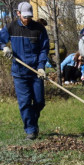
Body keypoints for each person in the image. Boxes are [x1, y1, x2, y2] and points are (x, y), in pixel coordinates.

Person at [0, 2, 49, 140]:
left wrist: (41, 66)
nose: (27, 19)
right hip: (19, 72)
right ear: (18, 13)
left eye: (29, 16)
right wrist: (4, 47)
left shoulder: (39, 29)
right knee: (25, 102)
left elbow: (44, 49)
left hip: (36, 72)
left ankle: (32, 121)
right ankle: (31, 130)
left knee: (39, 102)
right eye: (25, 16)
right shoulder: (11, 27)